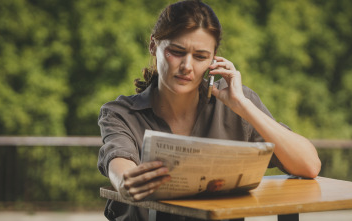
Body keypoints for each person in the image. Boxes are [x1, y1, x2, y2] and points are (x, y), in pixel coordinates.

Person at [97, 0, 321, 220]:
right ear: (154, 45)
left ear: (214, 61)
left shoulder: (238, 102)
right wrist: (124, 180)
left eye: (200, 57)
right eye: (176, 51)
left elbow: (309, 165)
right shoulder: (120, 113)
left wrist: (243, 106)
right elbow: (119, 160)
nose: (187, 66)